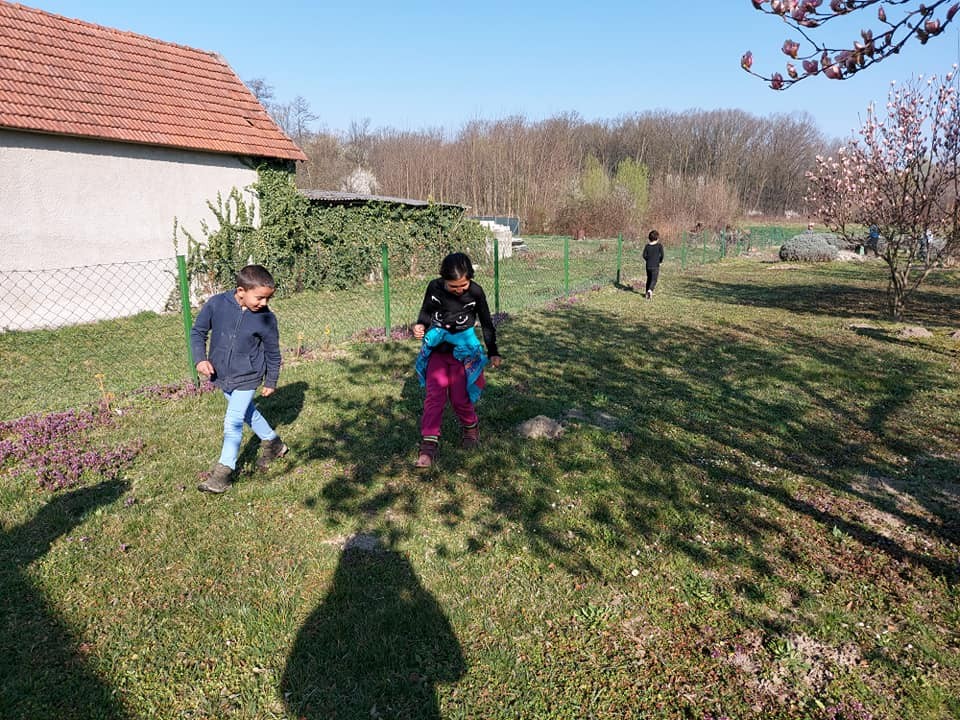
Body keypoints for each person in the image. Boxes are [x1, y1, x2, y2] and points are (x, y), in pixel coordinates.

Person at [190, 264, 287, 494]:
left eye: (268, 298)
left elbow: (273, 352)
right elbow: (198, 332)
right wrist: (200, 359)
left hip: (248, 376)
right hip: (222, 374)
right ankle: (274, 443)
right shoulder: (217, 304)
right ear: (241, 291)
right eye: (259, 298)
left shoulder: (266, 318)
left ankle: (222, 474)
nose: (264, 303)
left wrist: (271, 380)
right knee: (246, 413)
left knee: (232, 421)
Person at [412, 252, 501, 469]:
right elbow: (426, 312)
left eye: (463, 285)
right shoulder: (434, 287)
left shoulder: (476, 292)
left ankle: (470, 429)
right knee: (434, 397)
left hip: (464, 354)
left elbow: (486, 322)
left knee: (460, 398)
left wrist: (493, 351)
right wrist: (420, 325)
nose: (460, 290)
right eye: (454, 286)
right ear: (443, 279)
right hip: (438, 352)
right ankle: (429, 444)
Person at [642, 229, 664, 299]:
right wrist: (660, 261)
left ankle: (646, 293)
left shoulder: (647, 246)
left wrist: (648, 260)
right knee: (654, 279)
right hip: (655, 266)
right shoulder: (659, 246)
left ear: (649, 238)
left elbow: (644, 255)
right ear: (657, 238)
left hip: (648, 265)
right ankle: (650, 290)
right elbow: (662, 255)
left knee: (649, 279)